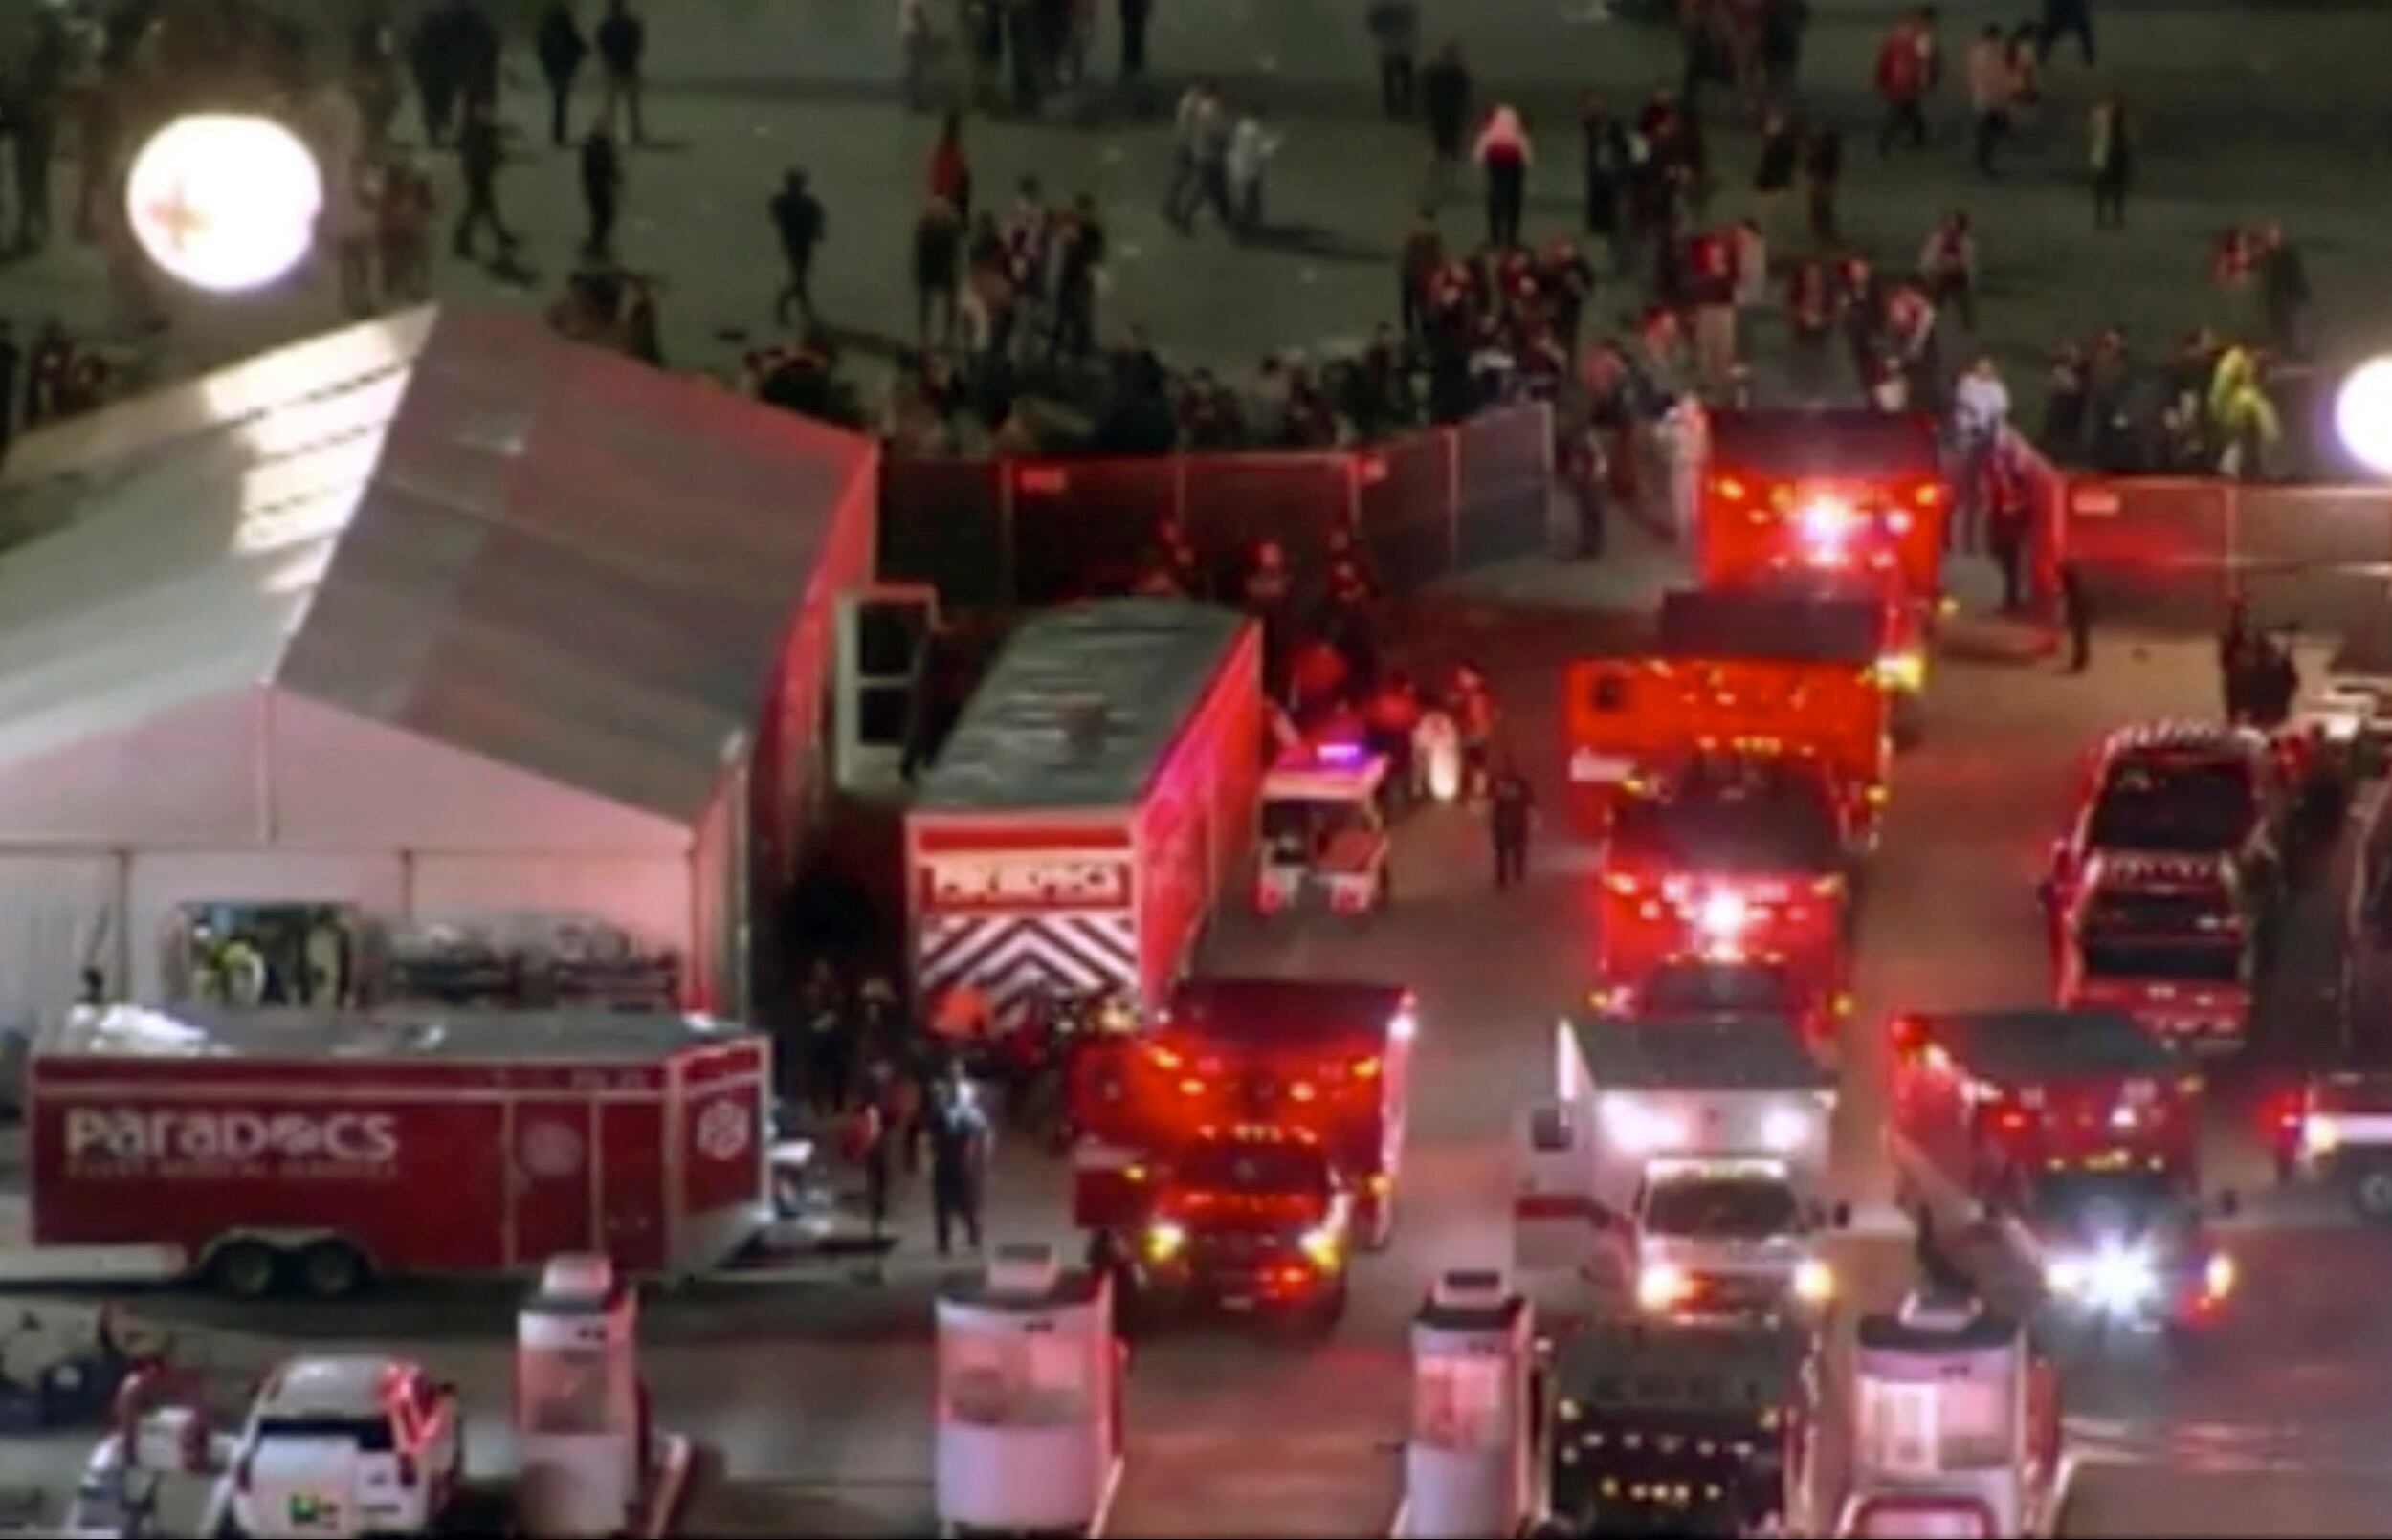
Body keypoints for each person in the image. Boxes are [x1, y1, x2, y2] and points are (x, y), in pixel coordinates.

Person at [926, 1076, 990, 1256]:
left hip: (953, 1161)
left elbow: (981, 1138)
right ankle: (963, 1237)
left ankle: (950, 1240)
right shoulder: (969, 1114)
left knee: (952, 1203)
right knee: (961, 1202)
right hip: (957, 1162)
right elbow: (982, 1138)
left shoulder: (951, 1114)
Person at [452, 98, 518, 260]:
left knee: (486, 205)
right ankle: (462, 238)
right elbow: (474, 147)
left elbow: (491, 140)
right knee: (477, 206)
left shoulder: (482, 127)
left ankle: (500, 235)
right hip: (477, 171)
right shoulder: (475, 129)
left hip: (481, 170)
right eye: (484, 109)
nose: (488, 113)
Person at [771, 169, 826, 327]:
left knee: (800, 278)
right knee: (799, 278)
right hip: (797, 244)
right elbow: (817, 221)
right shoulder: (798, 203)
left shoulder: (790, 202)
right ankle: (800, 311)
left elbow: (817, 220)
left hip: (798, 244)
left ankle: (798, 311)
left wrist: (815, 230)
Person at [1874, 9, 1932, 155]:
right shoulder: (1923, 35)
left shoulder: (1900, 28)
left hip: (1892, 74)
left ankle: (1919, 134)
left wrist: (1881, 75)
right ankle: (1884, 144)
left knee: (1910, 108)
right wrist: (1924, 82)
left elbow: (1886, 50)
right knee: (1898, 112)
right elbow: (1923, 61)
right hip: (1908, 78)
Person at [1474, 104, 1531, 250]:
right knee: (1514, 200)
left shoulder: (1492, 129)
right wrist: (1526, 162)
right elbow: (1524, 145)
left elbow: (1483, 144)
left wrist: (1479, 160)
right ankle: (1512, 237)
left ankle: (1494, 237)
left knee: (1494, 199)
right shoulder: (1516, 128)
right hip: (1515, 167)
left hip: (1496, 167)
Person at [536, 1, 588, 149]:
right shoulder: (564, 27)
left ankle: (558, 134)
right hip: (564, 67)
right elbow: (575, 40)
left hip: (552, 68)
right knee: (560, 101)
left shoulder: (546, 30)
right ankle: (559, 134)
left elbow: (541, 48)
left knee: (558, 100)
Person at [595, 0, 647, 144]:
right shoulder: (631, 25)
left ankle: (611, 133)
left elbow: (601, 44)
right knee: (632, 104)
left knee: (612, 104)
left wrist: (607, 58)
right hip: (628, 66)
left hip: (613, 67)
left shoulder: (606, 26)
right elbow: (638, 43)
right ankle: (635, 132)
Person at [914, 196, 963, 345]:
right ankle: (925, 335)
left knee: (947, 301)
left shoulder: (943, 227)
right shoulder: (927, 227)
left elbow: (958, 233)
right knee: (927, 302)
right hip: (931, 268)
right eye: (936, 209)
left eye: (941, 210)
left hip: (943, 267)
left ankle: (947, 336)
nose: (939, 212)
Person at [1226, 105, 1279, 239]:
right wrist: (1275, 142)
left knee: (1242, 200)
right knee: (1251, 202)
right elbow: (1263, 152)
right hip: (1251, 171)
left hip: (1237, 168)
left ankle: (1239, 229)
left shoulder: (1242, 126)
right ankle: (1244, 231)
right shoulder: (1256, 130)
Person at [1967, 23, 2011, 177]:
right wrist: (2001, 100)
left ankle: (1981, 159)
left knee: (1987, 130)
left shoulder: (1977, 52)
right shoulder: (1994, 54)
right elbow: (1995, 79)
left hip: (1980, 97)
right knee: (1990, 132)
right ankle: (1984, 162)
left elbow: (1973, 75)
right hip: (1991, 99)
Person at [1420, 42, 1472, 171]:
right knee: (1448, 138)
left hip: (1443, 112)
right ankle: (1447, 162)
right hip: (1447, 112)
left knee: (1443, 138)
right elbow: (1464, 96)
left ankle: (1442, 162)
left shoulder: (1434, 74)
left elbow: (1427, 94)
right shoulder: (1458, 75)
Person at [1366, 0, 1419, 119]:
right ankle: (1401, 109)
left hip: (1393, 48)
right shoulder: (1404, 8)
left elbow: (1373, 25)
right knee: (1402, 80)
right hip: (1399, 49)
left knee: (1395, 81)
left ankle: (1396, 109)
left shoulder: (1384, 10)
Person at [1489, 759, 1533, 889]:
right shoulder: (1520, 782)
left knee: (1505, 851)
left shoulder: (1498, 782)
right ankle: (1514, 876)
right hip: (1513, 820)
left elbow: (1490, 800)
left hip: (1506, 820)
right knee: (1514, 851)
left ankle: (1505, 877)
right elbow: (1530, 800)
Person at [579, 128, 623, 260]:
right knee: (604, 216)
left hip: (599, 189)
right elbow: (604, 168)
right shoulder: (595, 153)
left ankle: (597, 243)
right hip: (597, 190)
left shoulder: (599, 152)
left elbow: (610, 168)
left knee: (604, 217)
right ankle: (596, 244)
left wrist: (616, 176)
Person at [2089, 94, 2130, 230]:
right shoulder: (2108, 114)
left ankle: (2106, 216)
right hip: (2106, 152)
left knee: (2107, 186)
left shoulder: (2104, 114)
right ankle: (2109, 216)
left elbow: (2092, 131)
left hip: (2106, 152)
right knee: (2109, 185)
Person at [928, 111, 972, 223]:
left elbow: (937, 174)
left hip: (944, 194)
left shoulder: (946, 151)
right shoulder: (952, 152)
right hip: (949, 195)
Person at [2038, 0, 2094, 66]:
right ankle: (2042, 54)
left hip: (2070, 12)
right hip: (2060, 12)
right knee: (2048, 30)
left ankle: (2089, 54)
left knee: (2084, 28)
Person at [2059, 561, 2091, 672]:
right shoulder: (2078, 580)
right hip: (2082, 607)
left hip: (2078, 607)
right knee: (2081, 636)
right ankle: (2081, 659)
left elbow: (2070, 597)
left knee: (2079, 636)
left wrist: (2069, 617)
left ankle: (2080, 660)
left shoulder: (2071, 581)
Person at [1118, 0, 1152, 82]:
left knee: (1131, 36)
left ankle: (1131, 65)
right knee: (1135, 36)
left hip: (1132, 10)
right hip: (1135, 10)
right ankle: (1134, 65)